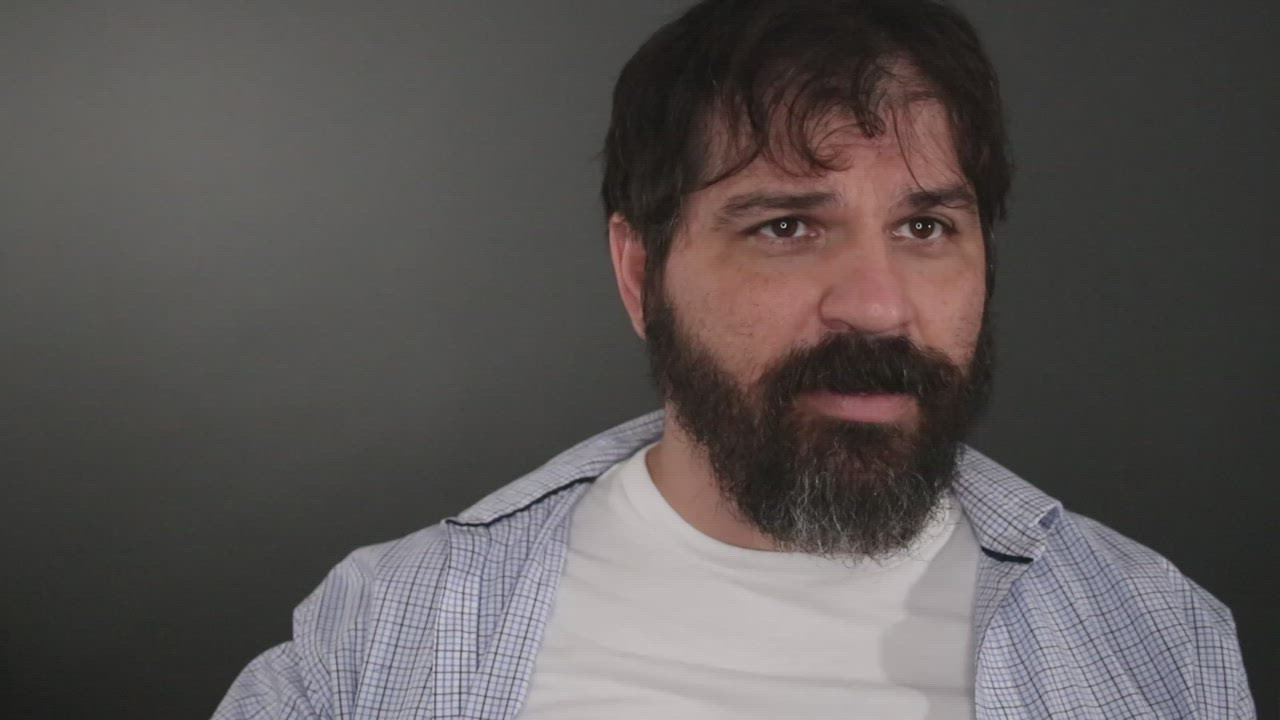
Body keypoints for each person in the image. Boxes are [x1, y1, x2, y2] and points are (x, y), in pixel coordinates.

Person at [213, 0, 1254, 717]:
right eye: (786, 227)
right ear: (640, 273)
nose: (877, 305)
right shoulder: (381, 633)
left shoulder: (1158, 641)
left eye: (925, 227)